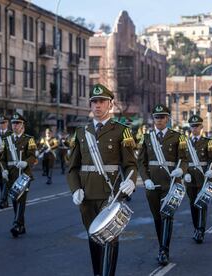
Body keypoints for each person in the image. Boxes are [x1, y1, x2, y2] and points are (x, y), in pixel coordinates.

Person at [67, 84, 137, 276]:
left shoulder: (122, 131)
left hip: (111, 195)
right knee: (93, 236)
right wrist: (75, 190)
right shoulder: (82, 133)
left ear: (110, 104)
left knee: (110, 238)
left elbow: (130, 164)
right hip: (87, 196)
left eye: (102, 102)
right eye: (94, 102)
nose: (97, 105)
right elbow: (72, 168)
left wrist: (131, 181)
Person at [137, 104, 187, 266]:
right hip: (152, 184)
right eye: (156, 117)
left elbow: (184, 158)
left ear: (167, 119)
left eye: (162, 117)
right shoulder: (146, 137)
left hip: (170, 183)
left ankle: (164, 250)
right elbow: (141, 162)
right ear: (153, 119)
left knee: (167, 215)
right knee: (157, 218)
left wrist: (180, 170)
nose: (159, 120)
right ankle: (162, 246)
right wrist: (146, 180)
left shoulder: (178, 137)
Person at [0, 113, 37, 237]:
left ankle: (16, 224)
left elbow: (33, 156)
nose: (15, 126)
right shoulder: (7, 140)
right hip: (11, 174)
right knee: (14, 200)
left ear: (22, 125)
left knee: (21, 199)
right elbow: (2, 159)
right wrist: (4, 170)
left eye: (18, 123)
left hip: (24, 173)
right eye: (13, 123)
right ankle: (21, 225)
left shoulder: (29, 139)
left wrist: (25, 162)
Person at [183, 115, 212, 244]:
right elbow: (182, 160)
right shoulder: (185, 142)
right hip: (190, 178)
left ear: (202, 127)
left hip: (203, 177)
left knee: (202, 203)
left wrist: (211, 170)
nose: (194, 128)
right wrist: (184, 173)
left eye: (197, 126)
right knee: (192, 204)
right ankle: (196, 228)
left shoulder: (208, 142)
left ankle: (201, 230)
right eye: (192, 126)